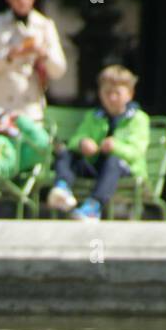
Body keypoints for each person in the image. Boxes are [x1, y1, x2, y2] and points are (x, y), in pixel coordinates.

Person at [46, 64, 149, 221]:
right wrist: (82, 143)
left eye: (117, 93)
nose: (112, 98)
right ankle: (62, 188)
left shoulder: (138, 119)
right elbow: (75, 139)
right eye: (107, 92)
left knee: (113, 162)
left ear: (130, 94)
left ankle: (94, 206)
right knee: (66, 153)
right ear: (100, 93)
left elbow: (136, 152)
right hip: (95, 166)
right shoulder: (93, 116)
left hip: (124, 170)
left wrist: (116, 147)